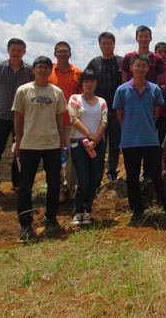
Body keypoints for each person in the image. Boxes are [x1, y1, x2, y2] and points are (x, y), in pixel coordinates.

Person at [12, 56, 68, 240]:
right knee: (25, 185)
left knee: (54, 183)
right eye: (39, 67)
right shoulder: (24, 90)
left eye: (46, 67)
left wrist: (62, 141)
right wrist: (18, 141)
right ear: (34, 70)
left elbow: (60, 118)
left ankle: (51, 218)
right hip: (29, 144)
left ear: (50, 70)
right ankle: (25, 223)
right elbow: (18, 118)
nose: (43, 70)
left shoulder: (56, 92)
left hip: (51, 144)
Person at [113, 53, 166, 222]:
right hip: (129, 141)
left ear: (148, 68)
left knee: (158, 175)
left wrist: (146, 126)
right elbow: (119, 115)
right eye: (137, 65)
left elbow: (156, 115)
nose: (140, 69)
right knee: (132, 177)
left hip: (150, 139)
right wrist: (129, 129)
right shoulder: (122, 90)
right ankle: (137, 210)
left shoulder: (155, 89)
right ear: (131, 67)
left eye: (144, 66)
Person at [0, 38, 35, 199]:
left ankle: (17, 183)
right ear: (8, 50)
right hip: (2, 116)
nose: (16, 53)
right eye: (13, 49)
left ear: (24, 52)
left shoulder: (29, 70)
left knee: (19, 151)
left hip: (21, 118)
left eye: (19, 50)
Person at [68, 69, 107, 225]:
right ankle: (78, 211)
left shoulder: (102, 101)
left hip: (97, 144)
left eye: (92, 81)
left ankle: (87, 211)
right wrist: (90, 135)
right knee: (83, 179)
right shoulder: (75, 99)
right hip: (79, 143)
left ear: (96, 83)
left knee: (93, 179)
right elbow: (74, 119)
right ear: (81, 83)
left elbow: (104, 121)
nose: (89, 84)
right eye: (86, 81)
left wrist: (96, 140)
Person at [84, 32, 123, 183]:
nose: (106, 46)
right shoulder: (94, 63)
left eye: (109, 43)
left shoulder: (121, 62)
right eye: (103, 43)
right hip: (97, 111)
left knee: (114, 143)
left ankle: (111, 173)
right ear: (99, 45)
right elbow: (86, 81)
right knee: (98, 142)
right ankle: (97, 175)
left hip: (116, 109)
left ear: (114, 44)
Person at [48, 41, 82, 202]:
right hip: (51, 121)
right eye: (60, 51)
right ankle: (59, 187)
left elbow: (81, 98)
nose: (63, 54)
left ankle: (71, 186)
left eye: (66, 51)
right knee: (53, 156)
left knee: (71, 157)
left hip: (70, 121)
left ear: (70, 54)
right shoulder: (48, 71)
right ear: (55, 54)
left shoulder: (77, 73)